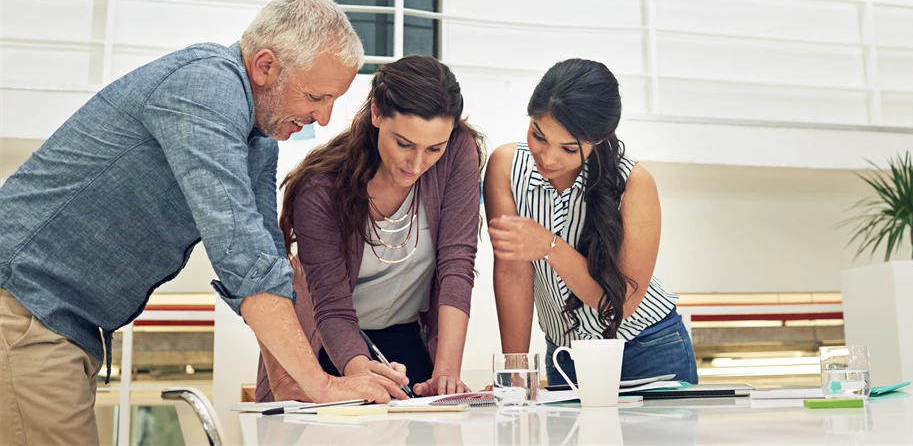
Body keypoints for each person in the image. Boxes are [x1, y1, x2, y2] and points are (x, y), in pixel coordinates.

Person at [0, 0, 406, 446]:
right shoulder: (206, 87)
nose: (324, 118)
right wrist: (322, 383)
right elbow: (240, 254)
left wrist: (291, 383)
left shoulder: (259, 141)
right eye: (316, 96)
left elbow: (267, 255)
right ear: (265, 65)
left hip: (61, 324)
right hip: (24, 307)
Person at [256, 56, 484, 402]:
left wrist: (446, 375)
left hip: (405, 337)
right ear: (376, 113)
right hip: (327, 345)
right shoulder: (320, 189)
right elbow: (331, 307)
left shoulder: (457, 153)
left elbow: (457, 263)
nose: (418, 163)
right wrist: (361, 377)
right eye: (404, 144)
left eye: (433, 148)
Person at [485, 59, 698, 386]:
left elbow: (621, 305)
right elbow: (513, 271)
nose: (548, 157)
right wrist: (517, 370)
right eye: (538, 136)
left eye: (569, 148)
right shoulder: (505, 166)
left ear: (597, 140)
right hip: (565, 356)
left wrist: (550, 247)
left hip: (646, 349)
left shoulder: (634, 183)